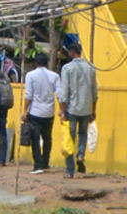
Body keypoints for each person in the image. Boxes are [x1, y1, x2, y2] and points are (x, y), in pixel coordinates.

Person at [57, 42, 98, 177]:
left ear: (71, 52)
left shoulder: (67, 68)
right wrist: (93, 110)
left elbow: (64, 93)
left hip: (72, 109)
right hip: (86, 108)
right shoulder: (90, 68)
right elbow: (94, 93)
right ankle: (80, 156)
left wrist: (62, 111)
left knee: (70, 138)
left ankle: (70, 170)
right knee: (83, 134)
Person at [22, 52, 59, 174]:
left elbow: (28, 96)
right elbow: (60, 95)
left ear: (36, 63)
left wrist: (25, 110)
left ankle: (38, 165)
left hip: (35, 112)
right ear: (47, 63)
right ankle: (45, 162)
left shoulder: (30, 75)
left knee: (35, 138)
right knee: (47, 138)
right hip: (49, 112)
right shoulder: (55, 76)